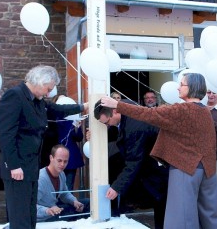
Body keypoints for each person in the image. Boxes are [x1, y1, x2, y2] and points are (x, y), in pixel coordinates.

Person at [100, 73, 217, 229]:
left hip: (186, 169)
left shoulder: (181, 110)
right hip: (209, 170)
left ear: (192, 88)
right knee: (209, 217)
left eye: (181, 84)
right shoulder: (206, 112)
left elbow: (148, 114)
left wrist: (118, 105)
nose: (178, 87)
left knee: (182, 219)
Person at [0, 65, 88, 229]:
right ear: (39, 81)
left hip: (31, 167)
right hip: (17, 168)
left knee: (30, 214)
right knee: (20, 215)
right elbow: (5, 135)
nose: (48, 93)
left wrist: (82, 107)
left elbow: (57, 110)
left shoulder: (37, 101)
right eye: (48, 89)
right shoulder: (15, 96)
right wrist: (14, 165)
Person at [94, 100, 168, 229]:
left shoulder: (135, 127)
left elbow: (133, 162)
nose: (107, 126)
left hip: (160, 169)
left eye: (107, 122)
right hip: (154, 168)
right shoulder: (128, 110)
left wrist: (116, 187)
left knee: (162, 209)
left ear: (115, 111)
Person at [37, 144, 89, 222]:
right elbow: (28, 205)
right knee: (74, 213)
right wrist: (47, 210)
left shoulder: (61, 174)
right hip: (44, 217)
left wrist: (74, 201)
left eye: (65, 161)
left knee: (87, 203)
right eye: (59, 160)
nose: (62, 164)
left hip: (56, 210)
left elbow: (64, 193)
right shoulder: (41, 178)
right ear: (51, 158)